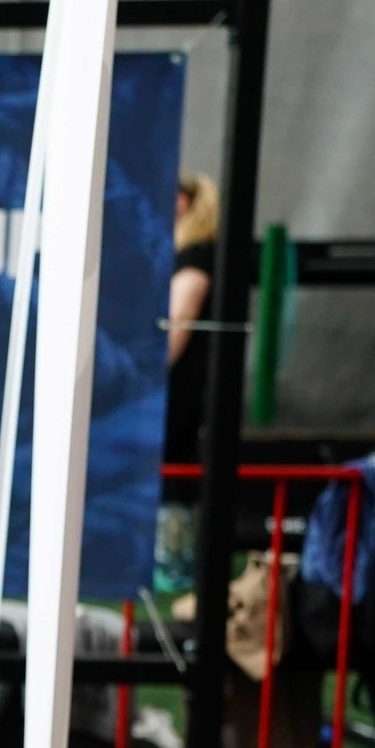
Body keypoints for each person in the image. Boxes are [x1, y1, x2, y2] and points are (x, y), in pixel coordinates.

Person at [155, 172, 220, 595]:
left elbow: (177, 325)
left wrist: (144, 375)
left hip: (178, 388)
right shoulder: (190, 253)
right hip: (180, 385)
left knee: (173, 466)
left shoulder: (195, 256)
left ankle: (174, 566)